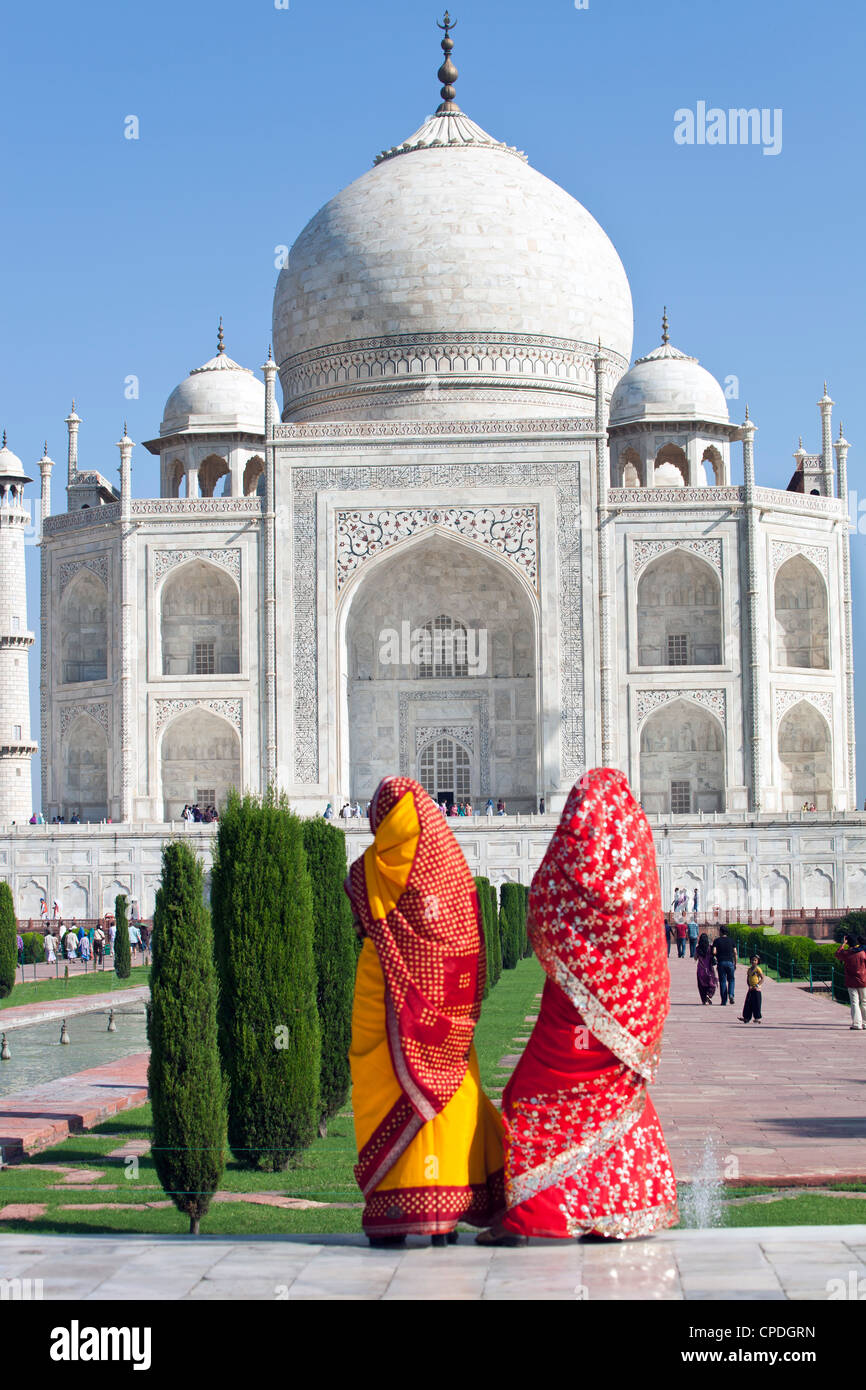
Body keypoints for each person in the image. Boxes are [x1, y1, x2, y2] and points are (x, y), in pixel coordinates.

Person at [480, 768, 678, 1244]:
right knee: (613, 1103)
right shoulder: (637, 859)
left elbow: (544, 902)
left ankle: (538, 1216)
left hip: (572, 1016)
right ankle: (619, 1205)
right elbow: (648, 938)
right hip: (627, 1019)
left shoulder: (574, 856)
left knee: (529, 1100)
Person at [344, 775, 504, 1246]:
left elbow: (359, 919)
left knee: (382, 1089)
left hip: (381, 1000)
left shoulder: (367, 870)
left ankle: (395, 1211)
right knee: (452, 1099)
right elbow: (468, 943)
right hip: (445, 1019)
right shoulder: (450, 868)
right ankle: (444, 1214)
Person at [835, 933, 866, 1030]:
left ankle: (857, 1024)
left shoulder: (847, 953)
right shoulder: (863, 953)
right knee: (864, 1002)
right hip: (864, 980)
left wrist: (843, 944)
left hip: (851, 981)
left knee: (854, 1003)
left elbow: (837, 954)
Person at [712, 926, 737, 1006]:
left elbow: (714, 951)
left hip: (721, 963)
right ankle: (731, 994)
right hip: (730, 962)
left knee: (722, 981)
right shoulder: (731, 940)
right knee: (731, 980)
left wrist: (716, 955)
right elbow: (735, 953)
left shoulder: (717, 941)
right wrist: (735, 963)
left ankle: (723, 1000)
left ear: (721, 932)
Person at [740, 955, 764, 1023]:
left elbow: (762, 978)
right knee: (748, 1003)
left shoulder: (758, 969)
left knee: (756, 1004)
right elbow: (748, 978)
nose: (753, 961)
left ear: (758, 961)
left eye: (755, 960)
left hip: (756, 989)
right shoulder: (749, 969)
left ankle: (757, 1018)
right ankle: (747, 1017)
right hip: (750, 989)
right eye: (752, 960)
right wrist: (749, 986)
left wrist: (757, 985)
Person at [695, 932, 716, 1004]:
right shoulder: (710, 948)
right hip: (709, 968)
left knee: (701, 986)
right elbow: (714, 954)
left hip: (701, 969)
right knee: (711, 984)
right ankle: (709, 995)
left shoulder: (698, 948)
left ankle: (704, 1000)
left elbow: (695, 958)